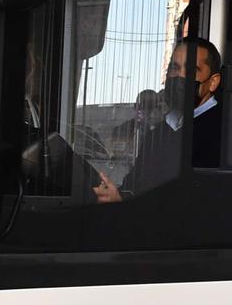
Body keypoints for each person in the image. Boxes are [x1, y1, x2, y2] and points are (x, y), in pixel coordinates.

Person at [94, 37, 223, 203]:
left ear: (213, 82)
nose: (180, 76)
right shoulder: (162, 131)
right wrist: (116, 196)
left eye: (191, 70)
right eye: (174, 68)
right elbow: (135, 185)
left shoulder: (222, 135)